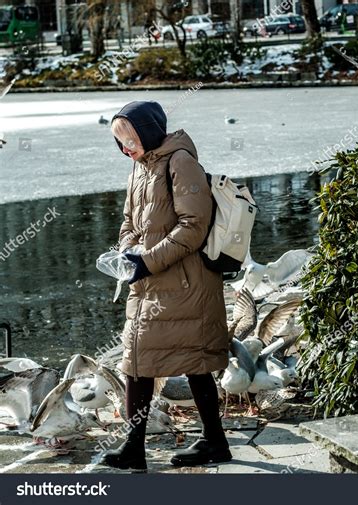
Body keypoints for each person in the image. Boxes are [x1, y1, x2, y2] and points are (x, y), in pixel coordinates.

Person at [100, 100, 231, 471]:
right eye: (119, 141)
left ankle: (203, 442)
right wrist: (128, 253)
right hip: (147, 282)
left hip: (186, 282)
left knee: (190, 360)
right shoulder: (138, 171)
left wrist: (147, 261)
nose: (126, 147)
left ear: (150, 131)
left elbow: (193, 226)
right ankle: (143, 447)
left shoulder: (181, 162)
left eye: (130, 138)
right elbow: (128, 222)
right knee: (138, 360)